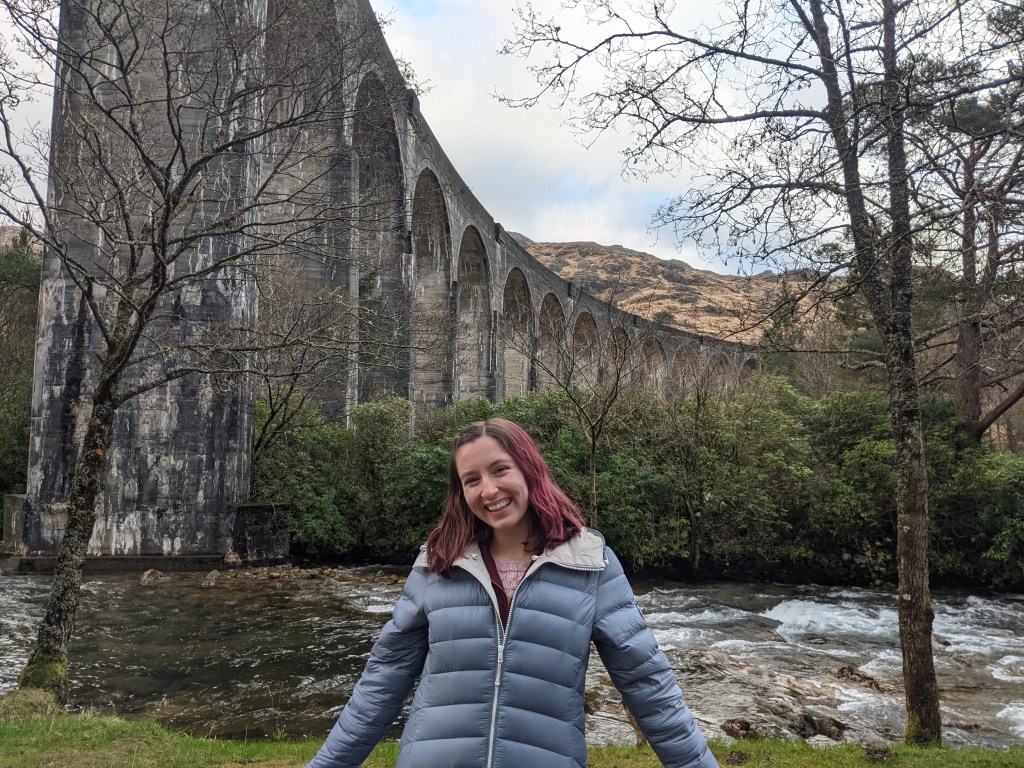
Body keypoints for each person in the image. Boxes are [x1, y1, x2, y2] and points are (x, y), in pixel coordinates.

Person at [306, 418, 719, 768]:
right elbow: (382, 682)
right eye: (472, 480)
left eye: (500, 470)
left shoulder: (590, 563)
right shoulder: (437, 563)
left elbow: (648, 684)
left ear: (528, 469)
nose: (488, 490)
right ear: (461, 492)